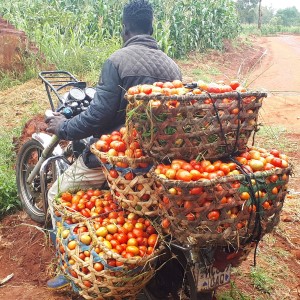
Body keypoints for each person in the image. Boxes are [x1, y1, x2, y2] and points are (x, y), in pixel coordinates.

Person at [45, 0, 182, 289]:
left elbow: (98, 116)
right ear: (152, 27)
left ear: (124, 28)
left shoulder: (117, 61)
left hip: (117, 156)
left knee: (57, 193)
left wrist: (65, 127)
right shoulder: (173, 67)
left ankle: (71, 270)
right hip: (158, 161)